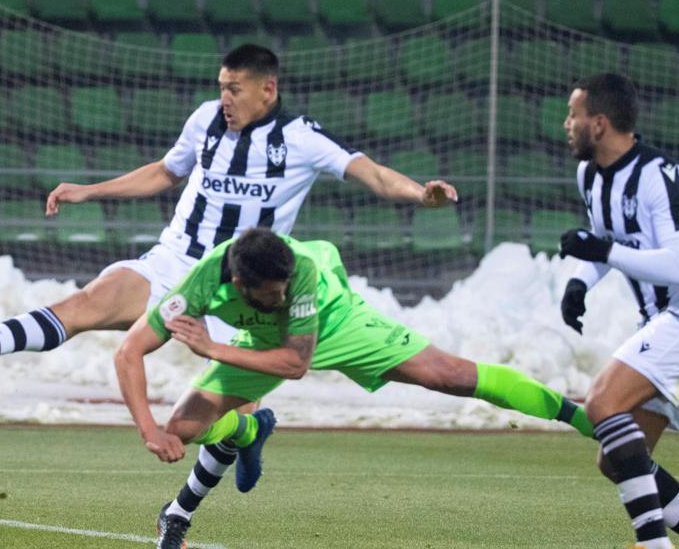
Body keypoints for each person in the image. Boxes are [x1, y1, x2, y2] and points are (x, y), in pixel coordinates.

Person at [0, 44, 458, 381]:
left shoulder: (301, 138)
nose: (225, 97)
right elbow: (164, 172)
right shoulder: (205, 119)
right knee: (89, 302)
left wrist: (420, 193)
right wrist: (89, 190)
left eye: (236, 89)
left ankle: (248, 435)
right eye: (222, 87)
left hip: (238, 284)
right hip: (175, 260)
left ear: (268, 90)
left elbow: (374, 174)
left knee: (225, 411)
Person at [115, 227, 594, 549]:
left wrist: (214, 349)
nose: (280, 297)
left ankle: (582, 417)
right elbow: (128, 352)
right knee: (182, 427)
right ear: (240, 284)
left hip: (339, 324)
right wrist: (148, 431)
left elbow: (295, 363)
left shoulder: (298, 274)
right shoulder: (199, 286)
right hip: (260, 344)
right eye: (269, 295)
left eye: (284, 289)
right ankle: (241, 438)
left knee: (451, 376)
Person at [556, 74, 679, 549]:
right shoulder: (590, 175)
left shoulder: (660, 178)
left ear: (599, 124)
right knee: (619, 458)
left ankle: (652, 543)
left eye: (574, 115)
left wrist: (604, 253)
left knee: (602, 403)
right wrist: (581, 282)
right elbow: (611, 241)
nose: (566, 124)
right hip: (667, 319)